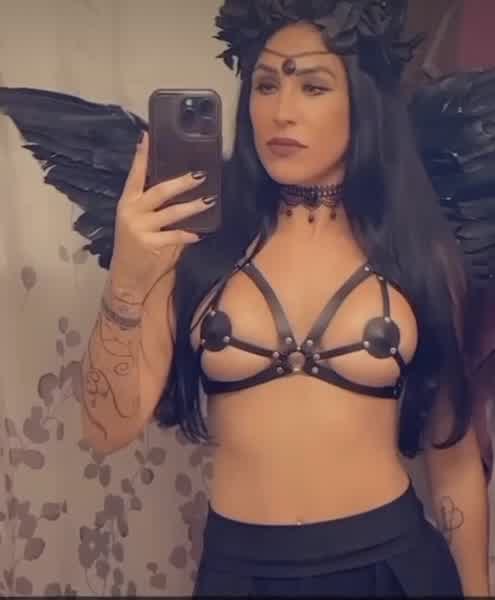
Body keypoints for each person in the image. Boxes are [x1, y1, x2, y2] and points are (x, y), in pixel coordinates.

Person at [80, 0, 489, 596]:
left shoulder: (418, 254)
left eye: (312, 86)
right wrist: (128, 276)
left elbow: (452, 458)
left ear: (363, 104)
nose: (281, 111)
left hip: (393, 568)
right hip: (240, 574)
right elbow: (105, 430)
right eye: (266, 85)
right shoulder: (195, 247)